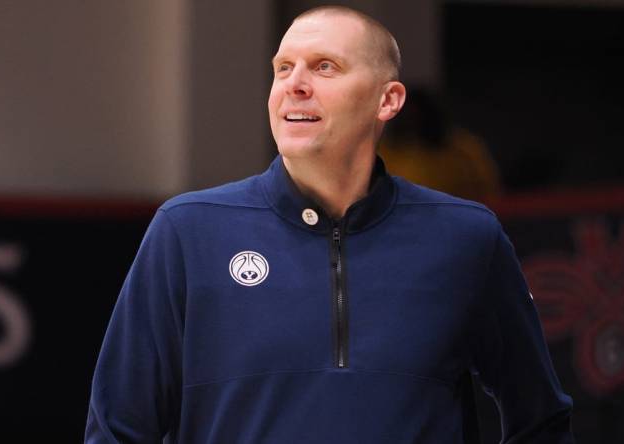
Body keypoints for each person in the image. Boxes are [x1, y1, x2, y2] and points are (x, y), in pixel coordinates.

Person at [85, 6, 574, 443]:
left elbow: (541, 422)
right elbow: (117, 429)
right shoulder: (186, 231)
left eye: (325, 67)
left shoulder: (468, 238)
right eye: (283, 68)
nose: (294, 83)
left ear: (388, 101)